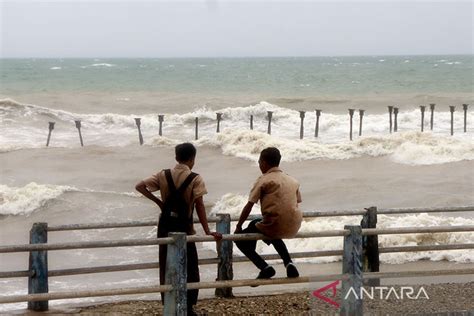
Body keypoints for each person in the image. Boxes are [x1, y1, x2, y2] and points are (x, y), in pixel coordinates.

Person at [135, 143, 221, 315]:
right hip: (184, 226)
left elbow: (139, 186)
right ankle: (188, 306)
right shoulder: (195, 178)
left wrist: (160, 203)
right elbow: (200, 205)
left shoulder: (163, 174)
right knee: (190, 265)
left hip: (166, 224)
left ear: (176, 157)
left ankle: (169, 302)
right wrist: (207, 230)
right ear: (192, 159)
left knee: (166, 264)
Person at [234, 147, 302, 282]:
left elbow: (249, 205)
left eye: (259, 162)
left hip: (274, 224)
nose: (259, 165)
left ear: (264, 163)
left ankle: (264, 267)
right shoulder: (292, 180)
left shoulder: (263, 180)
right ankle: (289, 263)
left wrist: (238, 226)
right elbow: (296, 202)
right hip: (294, 224)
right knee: (264, 226)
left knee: (239, 239)